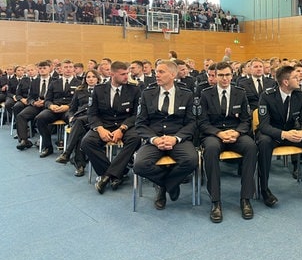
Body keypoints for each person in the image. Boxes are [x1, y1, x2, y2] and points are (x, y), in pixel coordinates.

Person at [133, 60, 198, 210]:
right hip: (155, 138)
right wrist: (154, 140)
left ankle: (164, 186)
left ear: (173, 74)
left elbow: (192, 123)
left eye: (161, 72)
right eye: (156, 72)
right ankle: (169, 185)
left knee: (191, 160)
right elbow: (140, 123)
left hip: (178, 138)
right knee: (139, 165)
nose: (157, 75)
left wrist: (175, 138)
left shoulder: (187, 95)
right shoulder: (148, 94)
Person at [197, 61, 257, 223]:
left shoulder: (240, 92)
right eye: (221, 75)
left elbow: (246, 120)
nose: (224, 78)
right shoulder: (206, 94)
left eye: (227, 75)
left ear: (232, 75)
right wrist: (219, 133)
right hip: (214, 134)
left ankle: (246, 199)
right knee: (210, 150)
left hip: (235, 133)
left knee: (251, 146)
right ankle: (216, 201)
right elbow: (202, 122)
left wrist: (237, 132)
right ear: (215, 76)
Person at [256, 65, 302, 206]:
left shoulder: (300, 95)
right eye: (295, 76)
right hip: (274, 134)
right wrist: (284, 134)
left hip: (292, 132)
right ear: (286, 82)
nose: (299, 77)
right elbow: (263, 126)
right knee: (263, 142)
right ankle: (264, 188)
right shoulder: (267, 96)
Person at [81, 61, 141, 194]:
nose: (127, 77)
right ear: (112, 74)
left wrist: (122, 129)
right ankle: (116, 173)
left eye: (127, 73)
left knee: (135, 139)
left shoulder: (134, 90)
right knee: (86, 142)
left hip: (125, 125)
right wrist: (100, 129)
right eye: (123, 74)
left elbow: (136, 115)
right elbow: (92, 114)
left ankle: (107, 176)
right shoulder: (99, 89)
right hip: (104, 124)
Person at [55, 69, 100, 177]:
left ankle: (67, 153)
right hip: (80, 118)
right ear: (85, 79)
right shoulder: (79, 90)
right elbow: (72, 108)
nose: (91, 79)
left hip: (95, 119)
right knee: (80, 133)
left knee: (79, 125)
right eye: (88, 77)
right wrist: (70, 117)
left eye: (93, 77)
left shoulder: (102, 90)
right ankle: (79, 165)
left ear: (98, 79)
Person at [36, 59, 81, 158]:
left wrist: (68, 106)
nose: (68, 69)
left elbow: (81, 102)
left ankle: (73, 151)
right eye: (65, 67)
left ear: (73, 69)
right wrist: (51, 106)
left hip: (69, 110)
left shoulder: (79, 83)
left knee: (75, 121)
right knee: (40, 118)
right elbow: (47, 100)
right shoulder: (54, 82)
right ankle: (48, 147)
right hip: (54, 109)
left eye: (70, 67)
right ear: (61, 69)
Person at [15, 61, 52, 150]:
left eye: (44, 68)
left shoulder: (55, 81)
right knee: (21, 115)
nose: (42, 70)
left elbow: (57, 97)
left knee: (42, 117)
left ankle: (43, 141)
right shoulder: (35, 81)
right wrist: (34, 103)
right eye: (40, 68)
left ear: (49, 69)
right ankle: (24, 140)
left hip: (49, 106)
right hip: (36, 105)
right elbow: (30, 97)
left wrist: (46, 102)